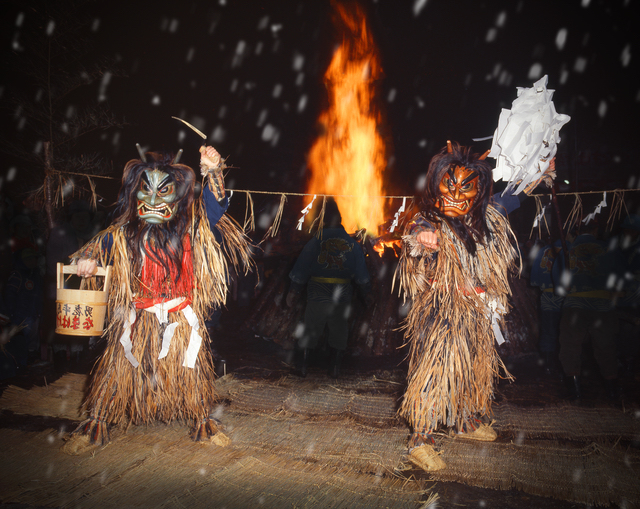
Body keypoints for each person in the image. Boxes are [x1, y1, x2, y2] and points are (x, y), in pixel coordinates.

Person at [63, 144, 253, 452]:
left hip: (180, 316)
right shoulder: (124, 231)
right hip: (138, 317)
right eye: (144, 191)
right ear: (133, 194)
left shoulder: (193, 228)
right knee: (117, 369)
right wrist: (87, 260)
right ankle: (96, 422)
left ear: (177, 197)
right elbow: (97, 247)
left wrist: (212, 171)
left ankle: (202, 420)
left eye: (162, 192)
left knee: (190, 372)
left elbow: (215, 208)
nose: (152, 200)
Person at [397, 141, 535, 472]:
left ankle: (464, 422)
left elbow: (513, 196)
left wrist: (541, 171)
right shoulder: (429, 219)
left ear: (479, 190)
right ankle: (421, 440)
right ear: (437, 182)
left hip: (476, 313)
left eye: (466, 186)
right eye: (450, 183)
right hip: (443, 313)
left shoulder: (486, 217)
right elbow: (415, 233)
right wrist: (423, 238)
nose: (457, 194)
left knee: (473, 370)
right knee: (436, 372)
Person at [286, 198, 371, 378]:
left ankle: (303, 367)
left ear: (323, 220)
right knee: (339, 328)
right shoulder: (352, 244)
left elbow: (301, 267)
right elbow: (362, 274)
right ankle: (335, 369)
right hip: (342, 292)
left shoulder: (315, 242)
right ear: (340, 221)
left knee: (311, 327)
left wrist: (294, 289)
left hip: (318, 290)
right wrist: (366, 293)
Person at [553, 220, 623, 400]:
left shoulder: (568, 250)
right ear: (596, 229)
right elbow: (620, 277)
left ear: (576, 231)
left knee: (570, 347)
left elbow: (559, 282)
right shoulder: (608, 249)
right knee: (606, 347)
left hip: (575, 305)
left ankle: (576, 395)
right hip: (603, 306)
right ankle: (614, 396)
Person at [529, 237, 565, 374]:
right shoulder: (570, 249)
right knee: (564, 332)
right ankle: (561, 365)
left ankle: (548, 366)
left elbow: (534, 280)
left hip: (547, 297)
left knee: (549, 330)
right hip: (566, 298)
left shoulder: (543, 251)